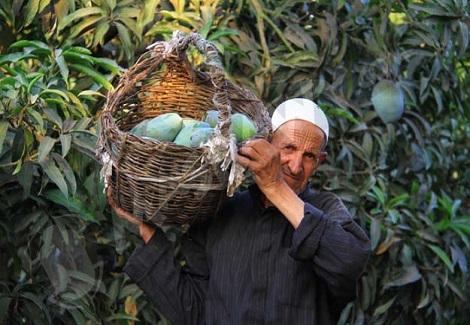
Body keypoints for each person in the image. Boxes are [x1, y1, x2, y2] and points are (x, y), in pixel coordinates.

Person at [108, 98, 371, 325]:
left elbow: (349, 262)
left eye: (310, 156)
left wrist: (274, 187)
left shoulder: (326, 208)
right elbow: (196, 313)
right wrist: (149, 235)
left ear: (319, 163)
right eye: (288, 148)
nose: (296, 165)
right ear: (266, 143)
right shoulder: (223, 211)